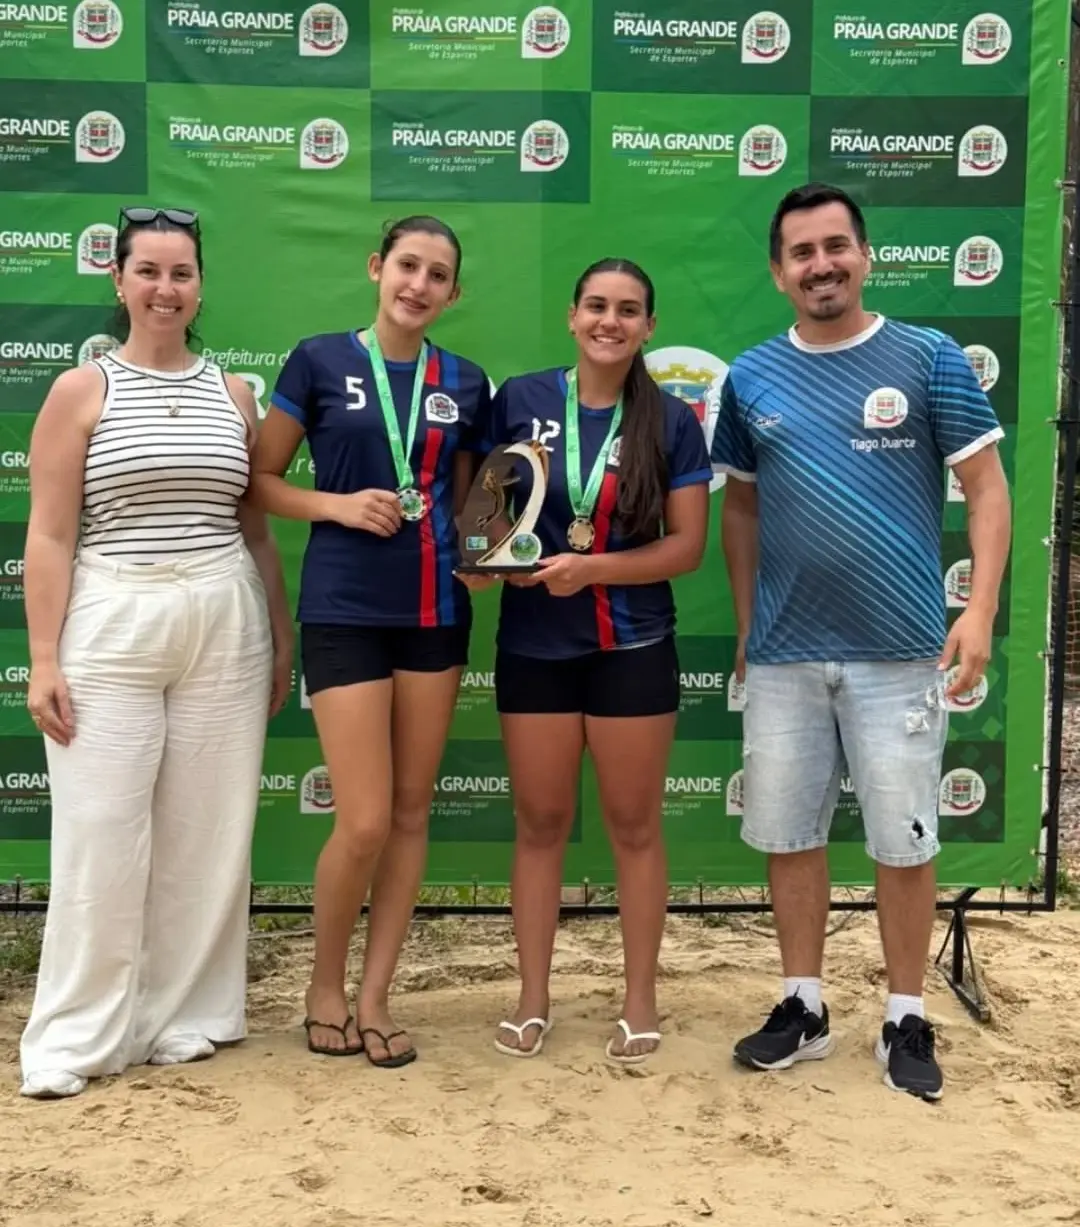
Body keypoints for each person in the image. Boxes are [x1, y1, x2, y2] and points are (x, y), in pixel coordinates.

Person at [712, 183, 1012, 1101]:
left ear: (865, 253)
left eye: (835, 246)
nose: (821, 265)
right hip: (787, 654)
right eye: (801, 252)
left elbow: (989, 490)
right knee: (790, 833)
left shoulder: (926, 357)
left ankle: (905, 1014)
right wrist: (745, 627)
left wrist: (982, 609)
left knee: (904, 840)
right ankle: (801, 1005)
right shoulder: (751, 373)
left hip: (900, 652)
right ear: (778, 271)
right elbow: (743, 507)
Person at [19, 207, 293, 1101]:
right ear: (119, 281)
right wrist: (44, 659)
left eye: (181, 274)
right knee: (101, 832)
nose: (165, 289)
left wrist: (280, 637)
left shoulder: (236, 393)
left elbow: (254, 529)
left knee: (207, 832)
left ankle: (185, 1015)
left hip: (224, 617)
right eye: (149, 272)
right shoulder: (80, 390)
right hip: (112, 616)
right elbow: (50, 537)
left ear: (201, 285)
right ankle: (74, 1034)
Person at [250, 216, 491, 1066]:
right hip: (345, 608)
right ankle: (324, 983)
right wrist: (339, 505)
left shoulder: (464, 379)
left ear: (453, 294)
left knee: (412, 812)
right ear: (376, 269)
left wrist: (485, 554)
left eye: (437, 275)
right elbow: (263, 481)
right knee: (363, 819)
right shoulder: (318, 360)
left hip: (434, 615)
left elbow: (474, 506)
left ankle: (378, 991)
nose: (418, 284)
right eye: (407, 266)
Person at [462, 258, 711, 1064]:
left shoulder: (671, 420)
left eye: (629, 310)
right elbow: (490, 516)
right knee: (539, 825)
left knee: (634, 828)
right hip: (534, 647)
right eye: (597, 306)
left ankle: (640, 1000)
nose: (611, 320)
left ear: (648, 327)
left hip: (633, 646)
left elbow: (688, 548)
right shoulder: (523, 400)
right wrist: (480, 560)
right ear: (572, 316)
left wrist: (592, 569)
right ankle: (533, 998)